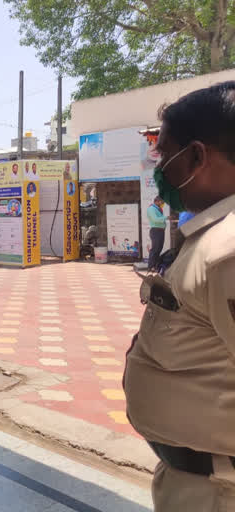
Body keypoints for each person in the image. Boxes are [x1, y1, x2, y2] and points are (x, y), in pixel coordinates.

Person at [123, 81, 235, 511]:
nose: (159, 167)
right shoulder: (208, 236)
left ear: (196, 156)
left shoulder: (228, 251)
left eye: (163, 153)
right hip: (198, 481)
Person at [146, 196, 167, 270]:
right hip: (156, 231)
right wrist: (166, 218)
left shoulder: (158, 209)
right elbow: (155, 219)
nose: (163, 204)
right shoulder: (151, 209)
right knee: (155, 249)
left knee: (159, 249)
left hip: (160, 231)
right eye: (162, 202)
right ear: (157, 201)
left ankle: (155, 266)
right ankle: (150, 266)